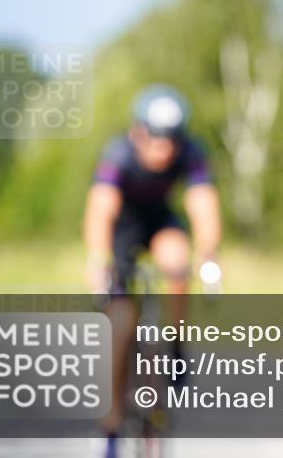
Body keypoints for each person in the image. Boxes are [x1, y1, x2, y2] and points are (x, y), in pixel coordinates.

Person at [83, 84, 222, 452]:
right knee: (119, 326)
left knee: (178, 261)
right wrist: (99, 261)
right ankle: (111, 425)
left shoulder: (190, 152)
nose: (164, 148)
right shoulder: (118, 154)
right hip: (122, 230)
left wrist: (207, 255)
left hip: (161, 221)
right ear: (137, 132)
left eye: (172, 140)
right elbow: (101, 210)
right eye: (155, 139)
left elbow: (202, 204)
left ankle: (175, 348)